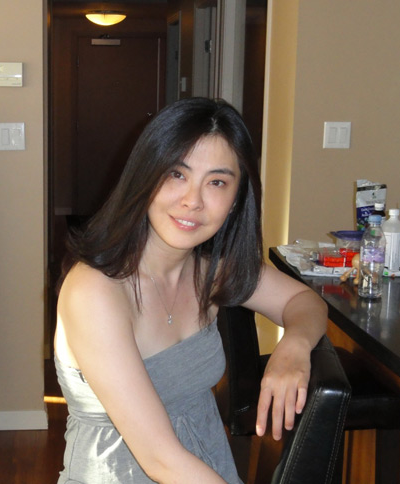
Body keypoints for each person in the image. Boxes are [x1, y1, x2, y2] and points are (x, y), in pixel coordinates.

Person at [54, 97, 327, 483]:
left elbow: (304, 301)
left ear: (235, 200)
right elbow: (160, 458)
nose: (192, 201)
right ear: (145, 176)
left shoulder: (209, 273)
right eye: (177, 174)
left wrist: (294, 346)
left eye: (216, 182)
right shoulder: (95, 291)